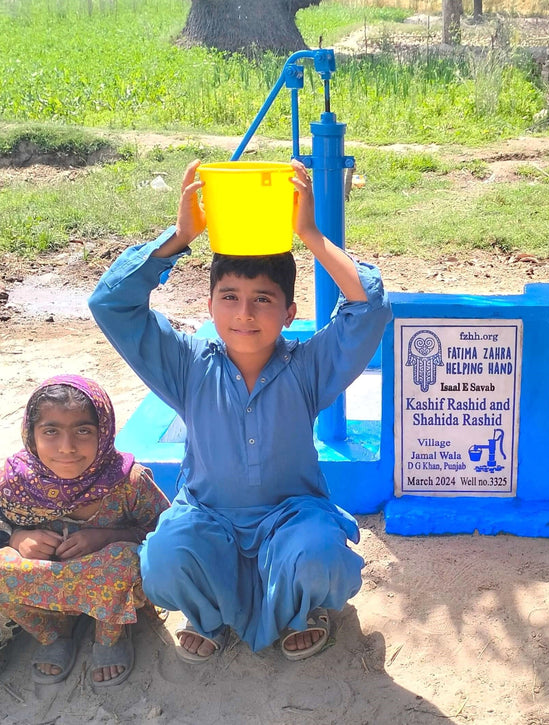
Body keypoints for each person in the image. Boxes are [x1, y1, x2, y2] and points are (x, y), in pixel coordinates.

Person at [88, 159, 392, 663]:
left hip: (291, 518)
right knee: (163, 559)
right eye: (229, 296)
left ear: (290, 312)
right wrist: (181, 236)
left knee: (322, 556)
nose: (244, 313)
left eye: (263, 299)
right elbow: (112, 304)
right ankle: (206, 615)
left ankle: (297, 611)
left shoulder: (308, 368)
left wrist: (311, 234)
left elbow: (370, 307)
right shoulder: (186, 365)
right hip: (208, 518)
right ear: (209, 305)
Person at [0, 375, 170, 688]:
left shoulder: (128, 482)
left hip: (107, 585)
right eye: (51, 431)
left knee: (122, 559)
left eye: (83, 430)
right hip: (46, 583)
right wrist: (16, 538)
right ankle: (52, 633)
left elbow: (166, 530)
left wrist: (105, 538)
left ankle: (109, 637)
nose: (67, 447)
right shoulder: (13, 482)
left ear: (103, 432)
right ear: (31, 434)